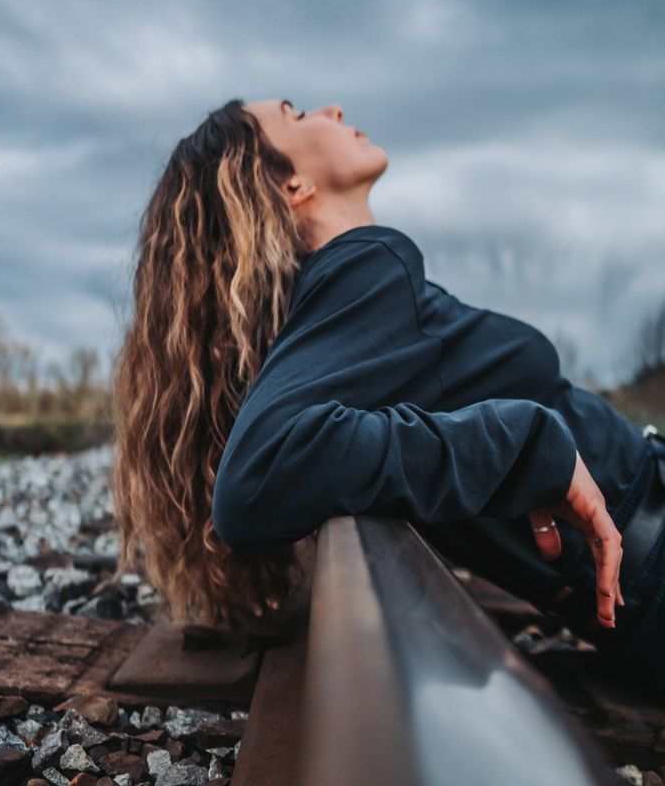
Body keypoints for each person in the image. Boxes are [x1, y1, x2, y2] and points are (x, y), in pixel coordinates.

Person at [110, 97, 665, 696]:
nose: (333, 108)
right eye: (296, 115)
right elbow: (256, 479)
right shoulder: (369, 265)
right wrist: (520, 448)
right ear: (292, 184)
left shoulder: (339, 311)